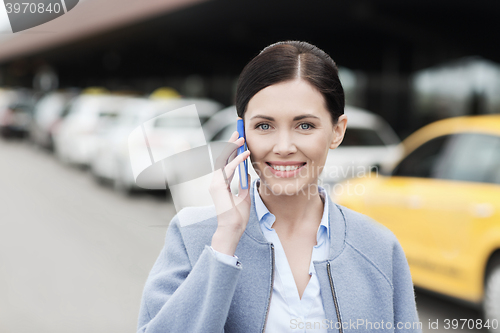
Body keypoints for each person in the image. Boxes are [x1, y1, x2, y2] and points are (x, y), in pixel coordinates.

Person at [137, 41, 421, 333]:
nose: (284, 147)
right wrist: (224, 244)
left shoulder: (378, 247)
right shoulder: (193, 236)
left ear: (337, 131)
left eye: (305, 126)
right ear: (241, 133)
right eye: (264, 126)